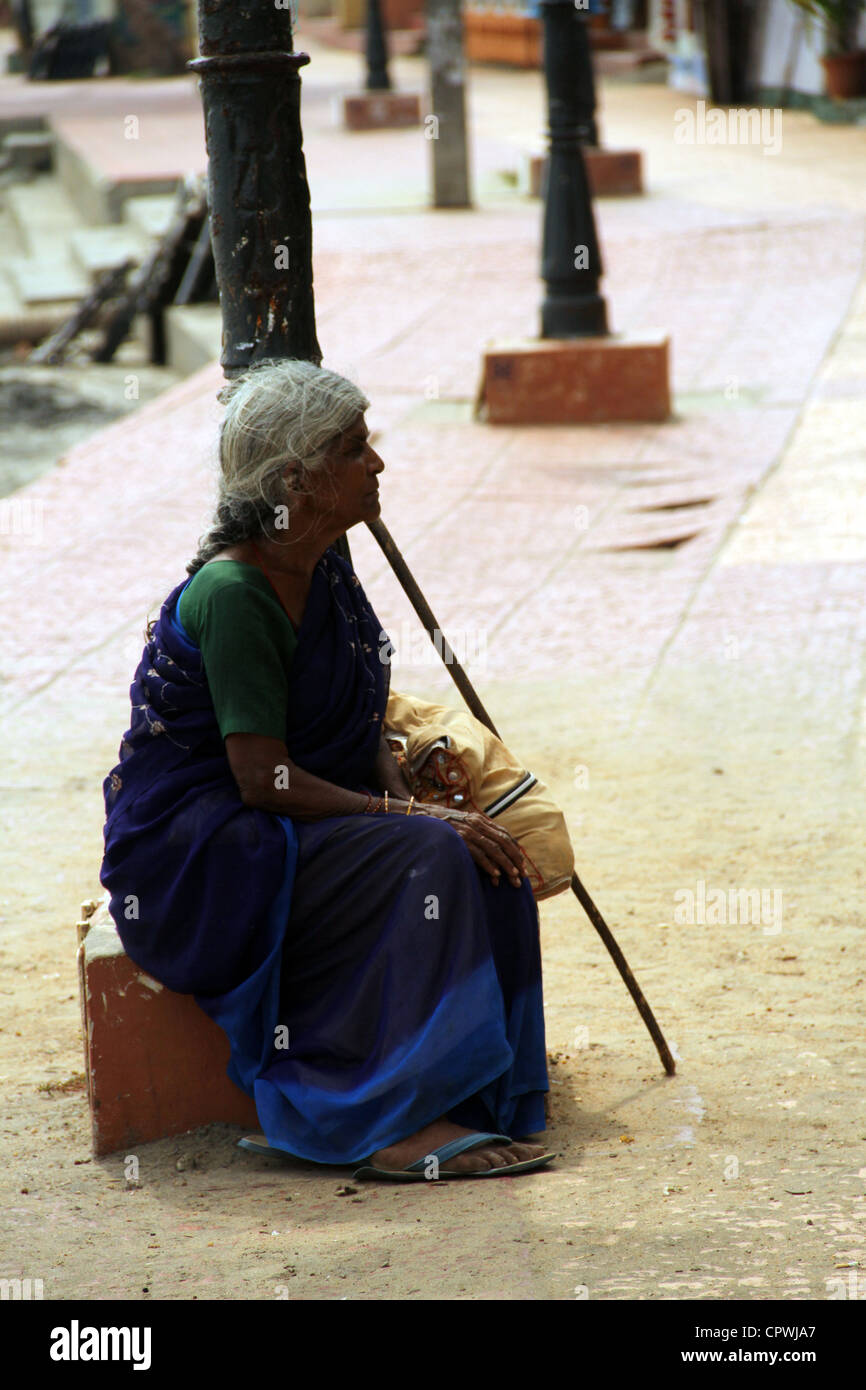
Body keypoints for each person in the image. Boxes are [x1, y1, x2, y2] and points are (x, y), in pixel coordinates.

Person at [100, 358, 554, 1182]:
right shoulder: (237, 594)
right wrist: (413, 822)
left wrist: (411, 792)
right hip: (210, 849)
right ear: (295, 481)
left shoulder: (326, 562)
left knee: (493, 856)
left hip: (290, 813)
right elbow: (259, 780)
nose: (375, 463)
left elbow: (357, 716)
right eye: (353, 448)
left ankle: (482, 1093)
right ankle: (387, 1117)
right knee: (434, 854)